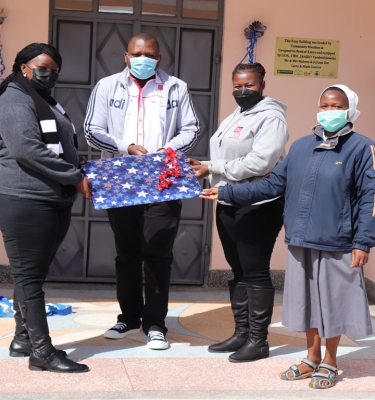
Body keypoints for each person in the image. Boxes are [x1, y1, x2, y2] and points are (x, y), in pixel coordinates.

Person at [201, 84, 375, 388]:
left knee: (333, 302)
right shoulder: (300, 146)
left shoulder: (362, 148)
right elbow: (271, 185)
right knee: (306, 302)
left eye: (336, 106)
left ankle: (330, 360)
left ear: (351, 110)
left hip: (338, 241)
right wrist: (227, 192)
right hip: (300, 238)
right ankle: (311, 357)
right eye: (324, 105)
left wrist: (363, 242)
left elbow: (369, 199)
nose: (329, 111)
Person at [83, 32, 200, 350]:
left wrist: (167, 149)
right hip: (120, 175)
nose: (143, 59)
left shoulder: (176, 87)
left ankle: (156, 323)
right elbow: (92, 130)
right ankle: (129, 316)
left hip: (162, 176)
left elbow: (191, 128)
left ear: (159, 59)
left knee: (158, 252)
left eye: (150, 54)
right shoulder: (107, 87)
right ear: (126, 56)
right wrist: (126, 146)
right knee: (127, 252)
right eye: (137, 54)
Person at [188, 62, 289, 362]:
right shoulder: (238, 115)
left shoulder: (272, 118)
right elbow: (229, 153)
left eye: (249, 85)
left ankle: (259, 341)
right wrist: (203, 166)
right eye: (237, 86)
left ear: (262, 85)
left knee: (255, 271)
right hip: (228, 202)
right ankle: (241, 333)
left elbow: (261, 162)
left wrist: (212, 168)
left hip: (257, 206)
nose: (242, 91)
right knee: (239, 270)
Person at [0, 43, 91, 372]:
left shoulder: (42, 99)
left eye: (54, 70)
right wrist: (73, 176)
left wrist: (73, 163)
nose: (49, 74)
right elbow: (26, 149)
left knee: (31, 275)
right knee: (28, 277)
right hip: (26, 199)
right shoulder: (14, 97)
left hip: (50, 199)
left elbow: (56, 141)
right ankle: (42, 351)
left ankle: (23, 339)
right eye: (42, 67)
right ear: (23, 67)